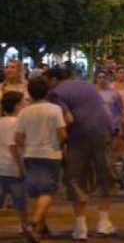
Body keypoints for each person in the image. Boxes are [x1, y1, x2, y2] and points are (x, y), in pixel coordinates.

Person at [48, 67, 116, 240]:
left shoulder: (56, 93)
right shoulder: (87, 86)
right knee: (105, 174)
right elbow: (105, 110)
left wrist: (62, 140)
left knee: (75, 177)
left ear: (54, 80)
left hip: (79, 136)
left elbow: (68, 118)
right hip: (103, 132)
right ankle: (104, 221)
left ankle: (80, 226)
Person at [16, 77, 67, 242]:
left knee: (35, 193)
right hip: (50, 154)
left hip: (30, 154)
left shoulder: (24, 111)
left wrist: (28, 146)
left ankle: (41, 228)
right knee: (48, 192)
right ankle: (33, 224)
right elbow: (62, 134)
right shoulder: (55, 110)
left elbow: (18, 137)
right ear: (47, 91)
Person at [0, 92, 28, 233]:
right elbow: (13, 146)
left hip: (1, 167)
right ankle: (24, 227)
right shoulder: (16, 123)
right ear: (17, 106)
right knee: (21, 202)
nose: (25, 104)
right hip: (12, 168)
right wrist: (20, 167)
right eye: (23, 102)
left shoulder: (1, 121)